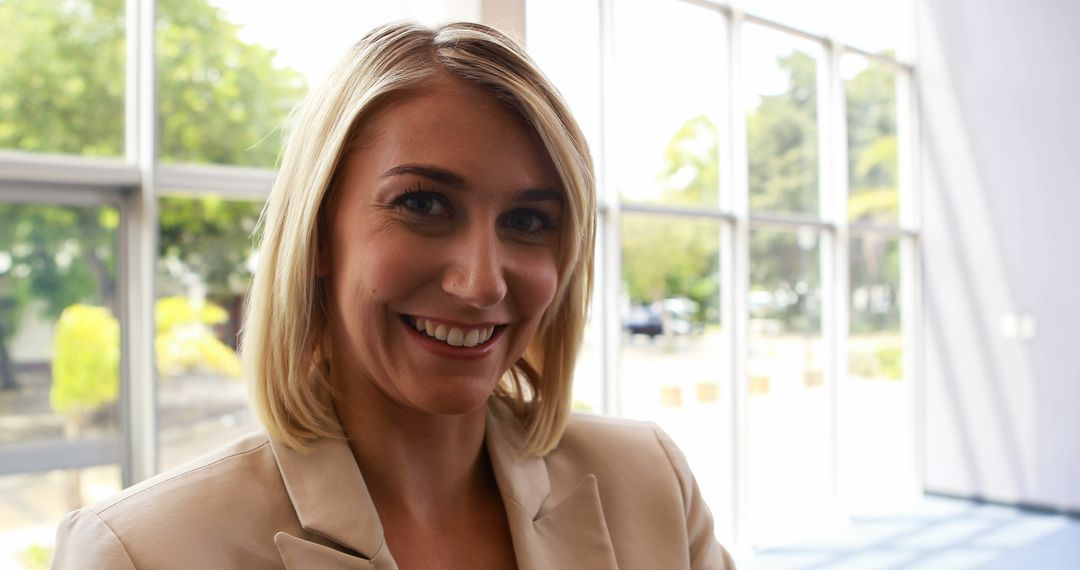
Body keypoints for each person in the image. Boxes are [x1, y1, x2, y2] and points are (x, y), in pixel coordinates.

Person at [52, 21, 734, 569]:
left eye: (529, 221)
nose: (482, 283)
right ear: (318, 233)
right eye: (423, 204)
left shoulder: (651, 485)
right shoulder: (140, 552)